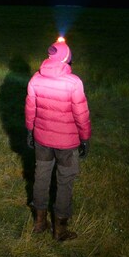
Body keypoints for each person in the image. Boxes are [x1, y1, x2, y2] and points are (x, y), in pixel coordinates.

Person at [25, 36, 91, 241]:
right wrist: (85, 138)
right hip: (67, 144)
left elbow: (30, 109)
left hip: (42, 140)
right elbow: (82, 115)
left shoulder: (36, 78)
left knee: (41, 177)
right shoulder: (74, 82)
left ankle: (39, 222)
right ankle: (60, 229)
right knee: (64, 182)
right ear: (66, 60)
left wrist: (30, 131)